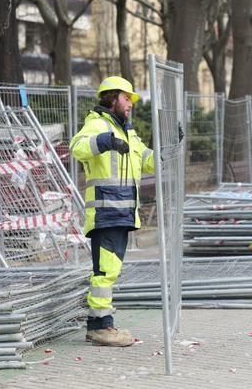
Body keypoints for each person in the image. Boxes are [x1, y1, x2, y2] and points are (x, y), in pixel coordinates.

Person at [70, 76, 155, 347]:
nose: (130, 104)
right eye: (127, 98)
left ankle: (102, 324)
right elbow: (77, 147)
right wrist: (105, 140)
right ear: (112, 97)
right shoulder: (97, 123)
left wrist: (169, 151)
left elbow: (147, 161)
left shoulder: (127, 131)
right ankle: (101, 327)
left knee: (110, 270)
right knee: (104, 272)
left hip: (122, 212)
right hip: (107, 210)